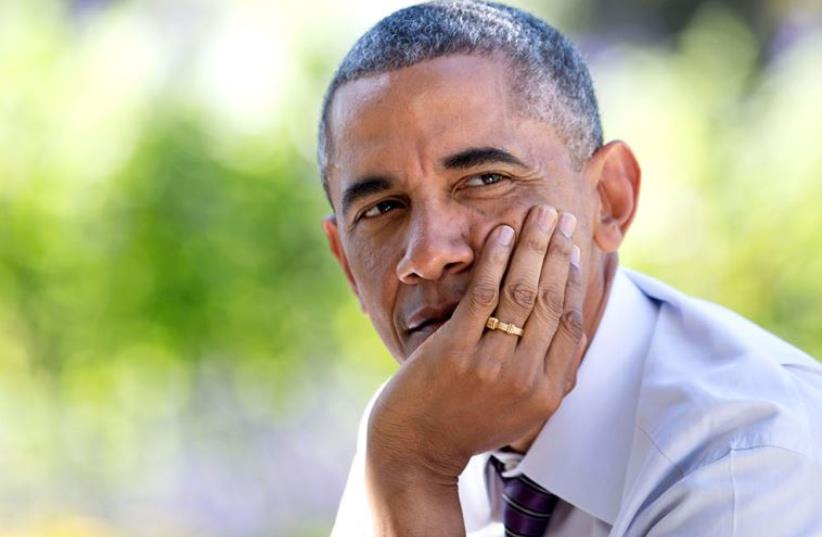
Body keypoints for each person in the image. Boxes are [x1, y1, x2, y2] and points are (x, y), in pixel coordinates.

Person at [316, 1, 822, 536]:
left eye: (486, 179)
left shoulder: (749, 458)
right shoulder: (417, 420)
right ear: (347, 265)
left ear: (608, 200)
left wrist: (414, 471)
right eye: (380, 209)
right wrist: (407, 462)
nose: (428, 254)